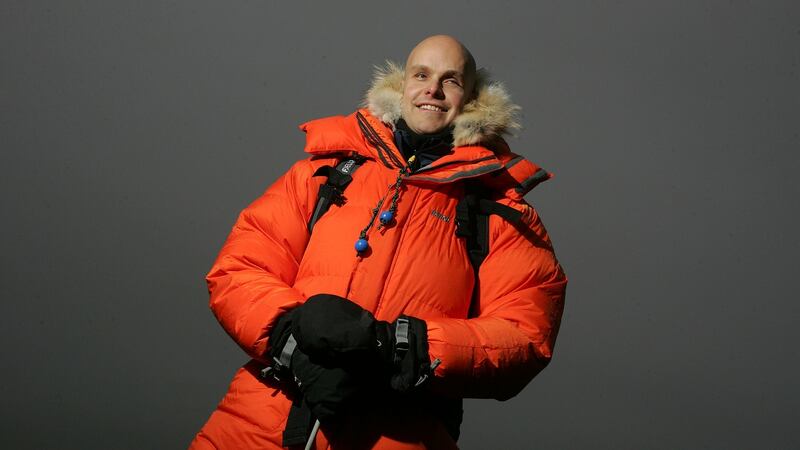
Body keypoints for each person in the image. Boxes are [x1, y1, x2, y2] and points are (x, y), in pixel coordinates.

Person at [190, 35, 567, 450]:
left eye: (451, 80)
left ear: (474, 100)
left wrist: (393, 349)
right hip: (258, 423)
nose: (433, 90)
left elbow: (524, 336)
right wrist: (294, 349)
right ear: (400, 85)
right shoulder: (325, 173)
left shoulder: (499, 211)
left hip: (398, 433)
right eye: (420, 74)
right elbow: (239, 268)